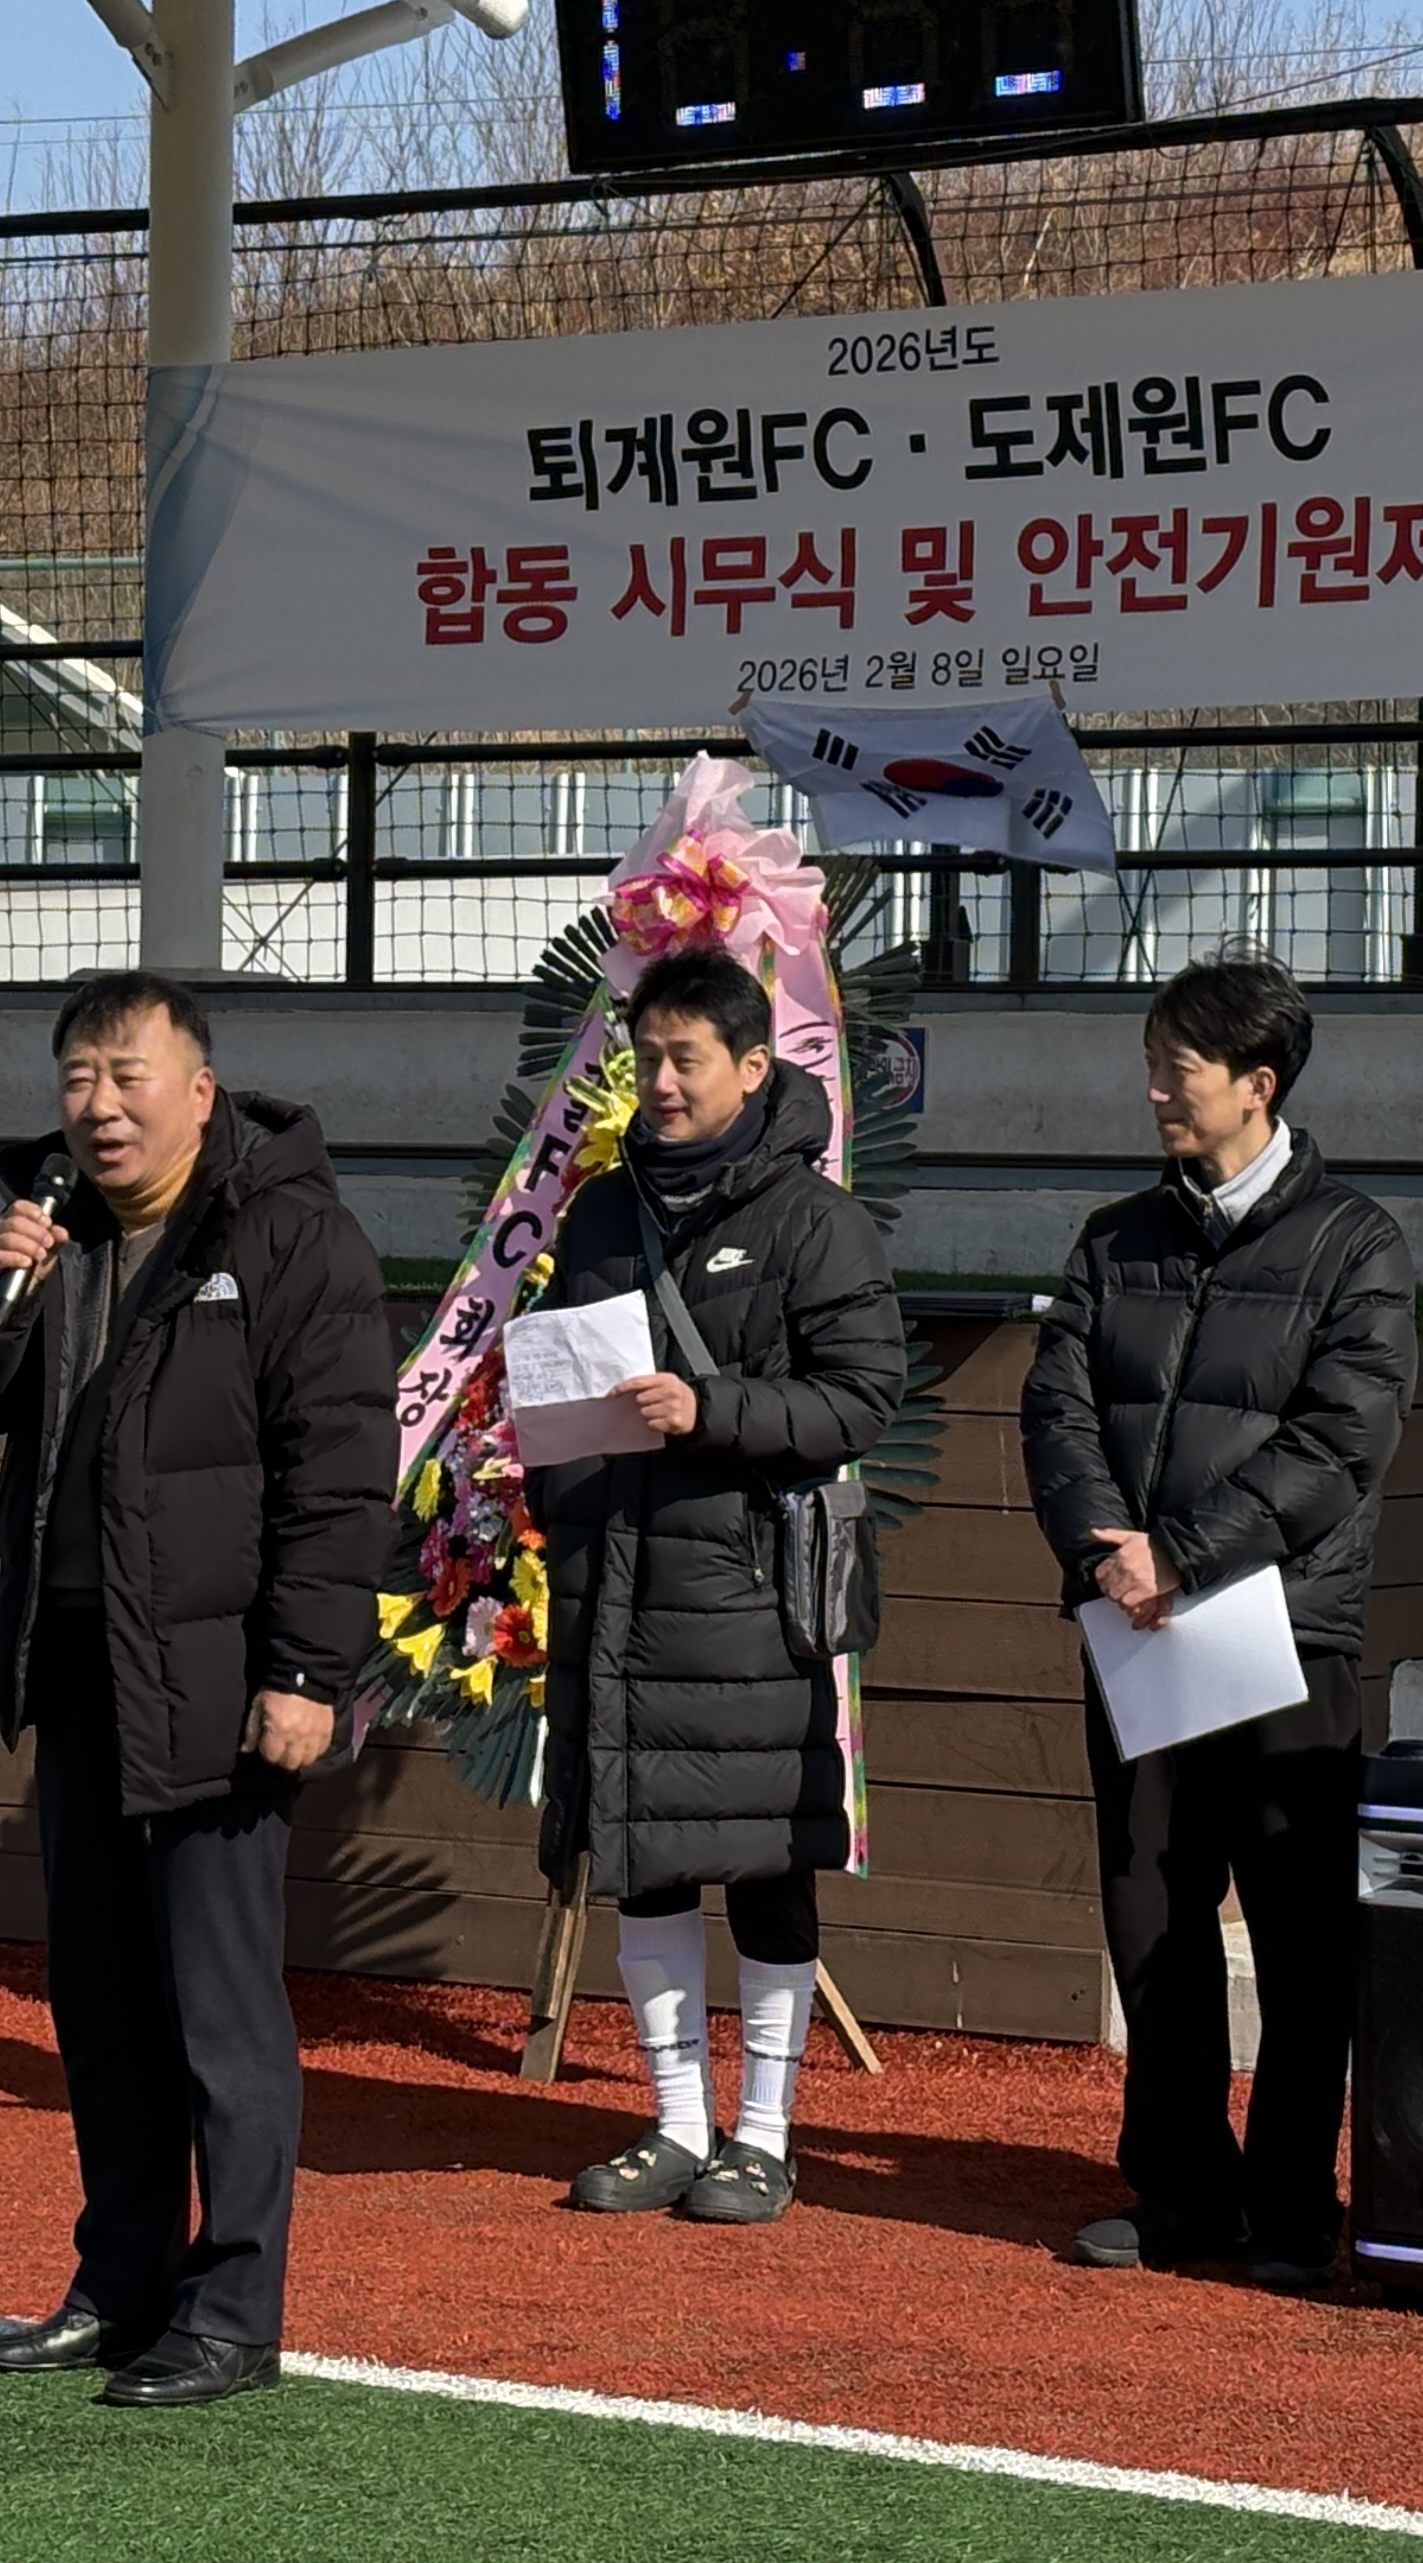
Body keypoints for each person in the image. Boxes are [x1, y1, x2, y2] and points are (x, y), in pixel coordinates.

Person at [0, 970, 393, 2408]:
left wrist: (307, 1669)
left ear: (199, 1088)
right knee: (103, 2009)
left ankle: (232, 2312)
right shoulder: (53, 1238)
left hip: (222, 1684)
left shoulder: (289, 1236)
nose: (99, 1108)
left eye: (126, 1076)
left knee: (220, 2012)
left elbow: (342, 1473)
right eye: (76, 1081)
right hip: (76, 1670)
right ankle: (119, 2285)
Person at [1021, 953, 1414, 2290]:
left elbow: (1336, 1445)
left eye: (1178, 1072)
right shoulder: (1113, 1237)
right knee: (1152, 1909)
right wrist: (1106, 1555)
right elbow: (1057, 1413)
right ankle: (1178, 2189)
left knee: (1301, 1931)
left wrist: (1181, 1555)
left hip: (1280, 1632)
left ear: (1260, 1083)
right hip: (1136, 1624)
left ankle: (1296, 2204)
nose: (1155, 1093)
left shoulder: (1356, 1244)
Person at [528, 944, 905, 2227]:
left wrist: (710, 1408)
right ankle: (677, 2123)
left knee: (762, 1864)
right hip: (617, 1588)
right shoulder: (599, 1210)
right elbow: (562, 1380)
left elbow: (863, 1397)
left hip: (746, 1602)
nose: (663, 1082)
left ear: (755, 1067)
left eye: (687, 1059)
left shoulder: (813, 1219)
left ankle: (767, 2133)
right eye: (647, 1059)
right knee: (643, 1857)